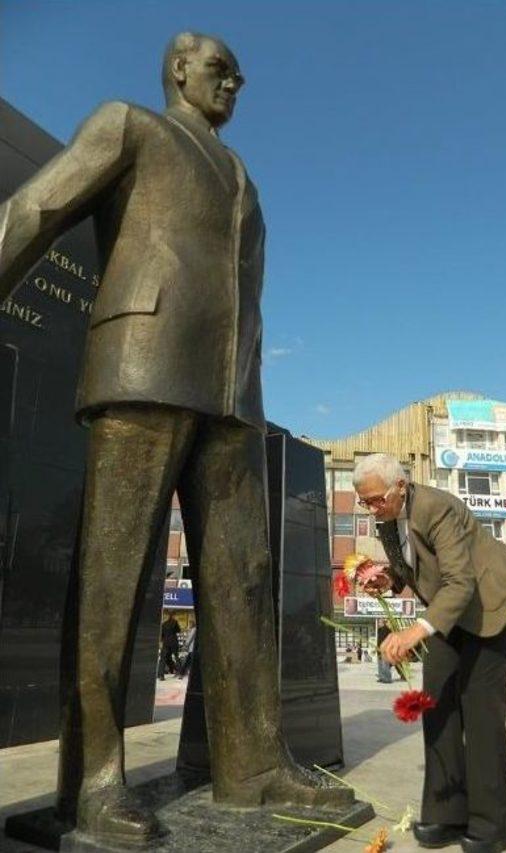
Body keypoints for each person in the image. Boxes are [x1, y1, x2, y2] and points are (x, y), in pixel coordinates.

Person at [0, 32, 349, 846]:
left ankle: (253, 764)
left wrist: (250, 382)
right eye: (219, 66)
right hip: (142, 364)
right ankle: (92, 781)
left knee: (247, 578)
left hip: (230, 392)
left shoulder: (241, 178)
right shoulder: (130, 125)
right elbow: (32, 208)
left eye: (239, 73)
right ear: (178, 70)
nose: (236, 80)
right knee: (115, 575)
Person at [354, 453, 506, 853]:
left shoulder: (437, 506)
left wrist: (416, 630)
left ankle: (492, 822)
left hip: (487, 605)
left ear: (401, 486)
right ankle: (446, 812)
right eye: (365, 502)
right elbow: (412, 566)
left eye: (377, 499)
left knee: (481, 713)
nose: (373, 509)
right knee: (437, 706)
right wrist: (387, 579)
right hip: (447, 612)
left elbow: (460, 581)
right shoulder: (386, 520)